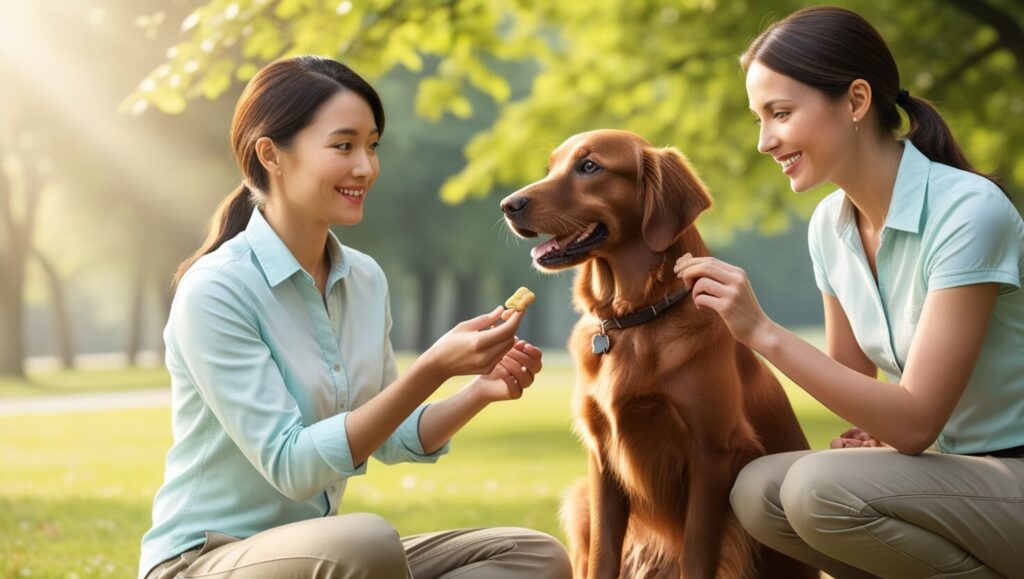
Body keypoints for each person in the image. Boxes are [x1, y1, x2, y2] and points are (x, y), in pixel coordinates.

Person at [138, 56, 572, 579]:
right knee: (365, 542)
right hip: (207, 561)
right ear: (271, 155)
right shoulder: (216, 290)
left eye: (372, 145)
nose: (365, 167)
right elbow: (292, 467)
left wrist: (478, 390)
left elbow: (390, 430)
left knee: (533, 555)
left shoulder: (364, 279)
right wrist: (433, 366)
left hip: (324, 558)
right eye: (343, 146)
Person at [674, 6, 1024, 578]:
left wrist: (760, 331)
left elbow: (913, 423)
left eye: (780, 113)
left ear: (856, 101)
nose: (765, 141)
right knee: (758, 490)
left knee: (817, 489)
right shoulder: (830, 226)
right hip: (956, 474)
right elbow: (855, 381)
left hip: (1012, 474)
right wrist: (871, 435)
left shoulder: (968, 211)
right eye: (758, 118)